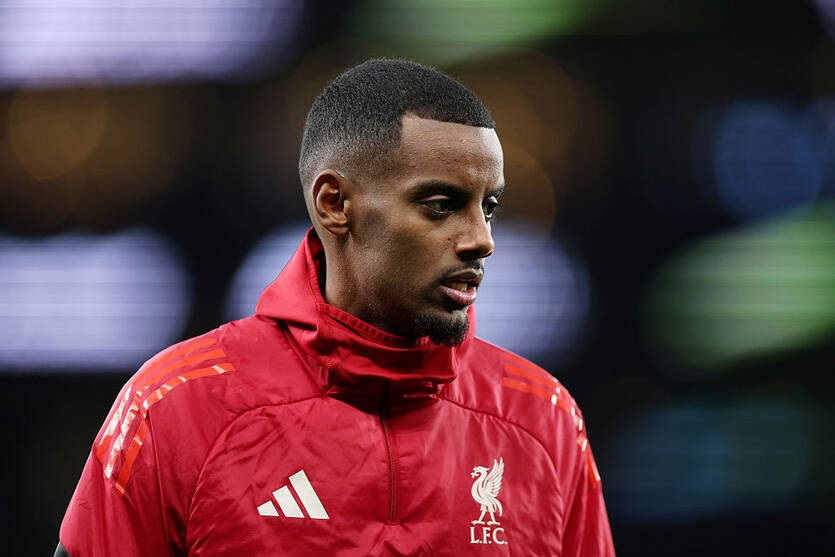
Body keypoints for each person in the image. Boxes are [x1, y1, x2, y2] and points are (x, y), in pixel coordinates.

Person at [56, 58, 615, 556]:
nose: (481, 240)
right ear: (334, 204)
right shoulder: (176, 407)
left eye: (487, 207)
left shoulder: (544, 420)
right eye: (441, 205)